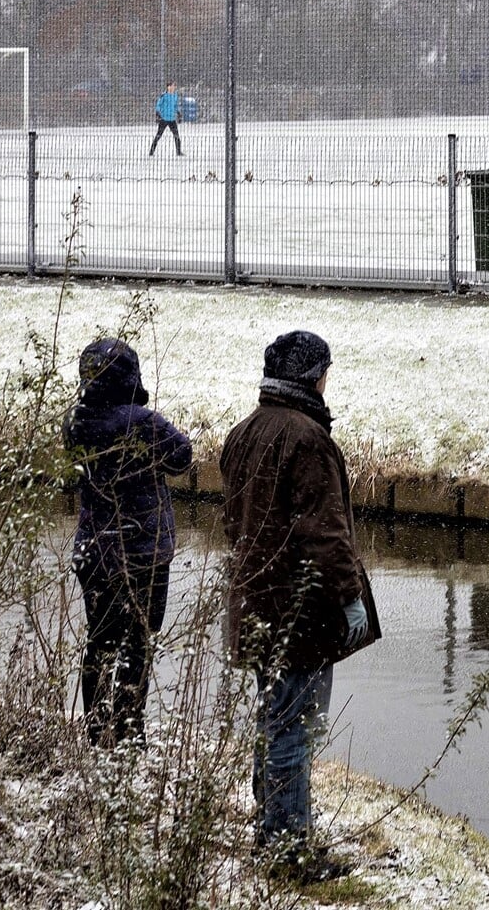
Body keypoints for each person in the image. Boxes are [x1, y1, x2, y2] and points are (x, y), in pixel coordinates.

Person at [221, 331, 379, 880]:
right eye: (326, 371)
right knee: (295, 730)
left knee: (273, 723)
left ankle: (271, 836)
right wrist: (350, 599)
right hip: (300, 612)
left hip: (256, 606)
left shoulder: (245, 433)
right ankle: (288, 854)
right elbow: (326, 535)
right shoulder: (308, 439)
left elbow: (236, 522)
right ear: (314, 375)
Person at [64, 339, 192, 747]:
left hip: (93, 550)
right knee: (137, 643)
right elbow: (181, 457)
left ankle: (97, 731)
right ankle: (129, 733)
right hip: (141, 553)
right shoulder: (141, 421)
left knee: (99, 641)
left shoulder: (76, 421)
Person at [149, 82, 184, 157]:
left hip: (172, 119)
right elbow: (158, 105)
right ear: (168, 87)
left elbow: (175, 106)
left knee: (176, 135)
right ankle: (151, 151)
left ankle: (179, 152)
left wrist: (178, 113)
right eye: (171, 86)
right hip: (164, 119)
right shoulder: (163, 95)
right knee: (158, 135)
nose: (173, 87)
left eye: (174, 86)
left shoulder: (175, 96)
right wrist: (158, 114)